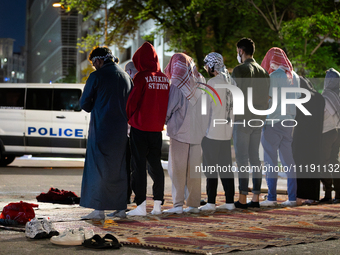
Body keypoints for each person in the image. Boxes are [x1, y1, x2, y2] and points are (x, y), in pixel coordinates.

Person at [79, 46, 132, 219]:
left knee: (98, 168)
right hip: (122, 131)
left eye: (94, 63)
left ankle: (98, 209)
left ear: (99, 60)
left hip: (102, 129)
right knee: (119, 169)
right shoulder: (126, 76)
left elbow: (84, 104)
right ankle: (121, 208)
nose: (94, 66)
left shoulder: (97, 76)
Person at [126, 42, 170, 216]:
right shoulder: (164, 78)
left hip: (140, 126)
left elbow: (132, 103)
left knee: (138, 166)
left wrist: (130, 118)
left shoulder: (141, 77)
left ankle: (141, 206)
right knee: (156, 166)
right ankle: (158, 204)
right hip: (156, 129)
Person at [163, 53, 210, 214]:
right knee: (194, 170)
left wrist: (164, 120)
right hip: (198, 133)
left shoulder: (177, 83)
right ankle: (193, 205)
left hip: (179, 132)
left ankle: (177, 205)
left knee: (177, 170)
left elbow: (169, 108)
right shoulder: (201, 80)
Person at [231, 38, 270, 209]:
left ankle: (241, 199)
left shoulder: (239, 70)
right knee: (255, 158)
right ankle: (255, 198)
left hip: (242, 119)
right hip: (258, 119)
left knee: (242, 159)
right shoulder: (264, 72)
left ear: (241, 50)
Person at [259, 47, 300, 207]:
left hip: (272, 122)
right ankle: (291, 198)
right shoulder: (294, 76)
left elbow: (266, 99)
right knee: (288, 161)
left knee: (270, 161)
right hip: (289, 123)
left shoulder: (273, 76)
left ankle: (271, 197)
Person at [198, 52, 236, 211]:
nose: (206, 68)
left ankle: (211, 202)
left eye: (207, 65)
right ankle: (229, 202)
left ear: (212, 66)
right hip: (227, 133)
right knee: (226, 169)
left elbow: (205, 110)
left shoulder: (212, 83)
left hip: (212, 133)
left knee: (211, 170)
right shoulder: (232, 82)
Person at [294, 77, 325, 206]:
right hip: (316, 137)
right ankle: (313, 196)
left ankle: (301, 195)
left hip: (301, 136)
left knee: (301, 166)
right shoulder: (319, 97)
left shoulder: (300, 97)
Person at [320, 68, 340, 204]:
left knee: (323, 163)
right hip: (337, 133)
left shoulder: (325, 96)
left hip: (326, 133)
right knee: (334, 162)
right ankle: (338, 194)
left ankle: (328, 193)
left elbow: (320, 117)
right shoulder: (338, 96)